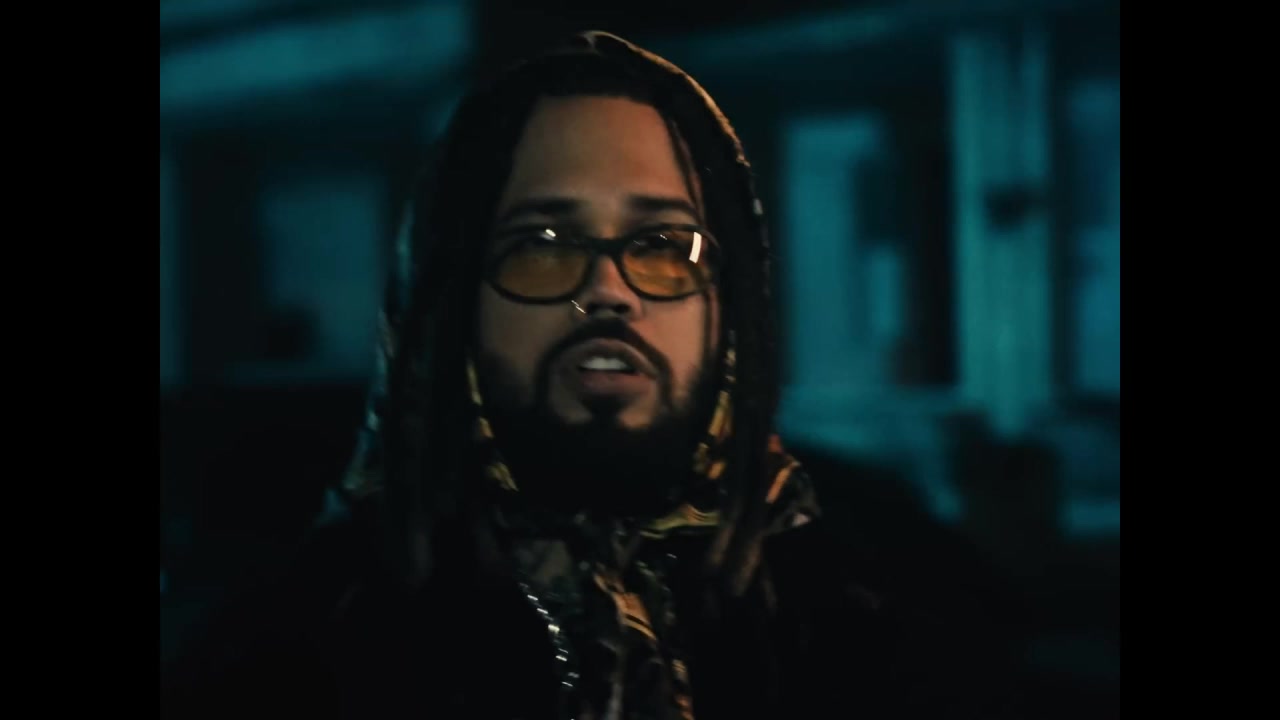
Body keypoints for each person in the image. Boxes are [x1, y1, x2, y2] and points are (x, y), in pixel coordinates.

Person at [163, 31, 1017, 719]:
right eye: (542, 245)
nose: (609, 290)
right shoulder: (299, 647)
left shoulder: (877, 612)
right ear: (449, 301)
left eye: (663, 244)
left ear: (730, 304)